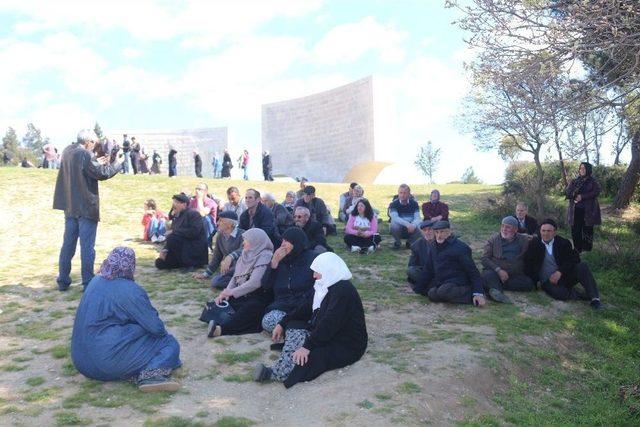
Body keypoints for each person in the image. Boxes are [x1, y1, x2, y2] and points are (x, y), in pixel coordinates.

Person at [71, 247, 181, 392]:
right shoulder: (130, 290)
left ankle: (130, 369)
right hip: (105, 361)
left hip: (81, 361)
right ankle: (151, 376)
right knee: (168, 343)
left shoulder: (94, 281)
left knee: (136, 329)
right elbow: (157, 328)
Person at [254, 252, 367, 388]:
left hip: (346, 343)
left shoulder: (343, 291)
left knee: (313, 357)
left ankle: (278, 372)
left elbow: (330, 323)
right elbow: (304, 308)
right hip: (327, 333)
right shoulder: (322, 286)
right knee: (293, 326)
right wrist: (282, 323)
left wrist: (307, 347)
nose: (314, 276)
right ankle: (288, 360)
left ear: (328, 271)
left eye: (317, 272)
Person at [53, 129, 122, 291]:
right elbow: (101, 174)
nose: (94, 146)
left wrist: (97, 161)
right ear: (88, 141)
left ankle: (63, 280)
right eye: (94, 143)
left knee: (68, 245)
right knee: (87, 247)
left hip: (70, 206)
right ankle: (88, 282)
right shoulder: (84, 154)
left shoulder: (67, 151)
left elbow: (85, 169)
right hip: (86, 206)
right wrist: (116, 163)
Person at [207, 228, 274, 338]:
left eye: (246, 240)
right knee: (223, 303)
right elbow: (235, 277)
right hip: (243, 293)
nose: (243, 243)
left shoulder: (265, 256)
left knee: (248, 310)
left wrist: (231, 292)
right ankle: (224, 320)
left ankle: (221, 330)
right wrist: (224, 293)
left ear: (255, 241)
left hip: (259, 296)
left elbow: (255, 282)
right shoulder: (245, 254)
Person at [524, 219, 603, 309]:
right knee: (560, 295)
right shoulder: (534, 244)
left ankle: (595, 298)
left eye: (549, 231)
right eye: (543, 231)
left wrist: (560, 272)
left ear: (554, 232)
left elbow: (574, 259)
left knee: (582, 266)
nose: (545, 233)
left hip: (563, 275)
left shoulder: (563, 242)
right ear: (540, 231)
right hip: (547, 281)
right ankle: (580, 295)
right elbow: (528, 263)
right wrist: (533, 281)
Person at [261, 228, 318, 333]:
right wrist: (274, 263)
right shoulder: (281, 260)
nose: (282, 244)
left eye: (286, 241)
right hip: (282, 306)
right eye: (282, 241)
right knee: (268, 322)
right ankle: (289, 329)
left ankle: (290, 329)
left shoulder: (313, 258)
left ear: (296, 242)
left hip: (304, 306)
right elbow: (265, 285)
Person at [423, 221, 486, 306]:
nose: (439, 235)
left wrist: (478, 293)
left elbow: (473, 271)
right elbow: (428, 268)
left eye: (442, 232)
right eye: (436, 232)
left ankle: (471, 294)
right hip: (443, 281)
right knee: (431, 294)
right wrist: (419, 288)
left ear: (449, 232)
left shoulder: (460, 248)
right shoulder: (433, 246)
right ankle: (448, 296)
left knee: (443, 291)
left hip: (459, 281)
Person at [481, 216, 534, 304]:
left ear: (516, 229)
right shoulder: (493, 239)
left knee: (528, 284)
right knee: (487, 274)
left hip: (513, 275)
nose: (504, 229)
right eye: (503, 226)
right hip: (495, 272)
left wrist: (533, 237)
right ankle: (496, 290)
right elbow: (484, 259)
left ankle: (494, 287)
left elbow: (537, 239)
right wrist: (499, 271)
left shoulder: (522, 239)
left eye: (508, 227)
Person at [155, 193, 208, 271]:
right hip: (182, 247)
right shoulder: (178, 216)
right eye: (174, 202)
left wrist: (174, 231)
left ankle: (190, 264)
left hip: (193, 247)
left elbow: (194, 232)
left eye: (176, 202)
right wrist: (165, 250)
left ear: (184, 205)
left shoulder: (193, 214)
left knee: (173, 237)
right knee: (160, 263)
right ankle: (180, 262)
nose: (174, 205)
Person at [194, 211, 245, 289]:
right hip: (229, 270)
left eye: (221, 221)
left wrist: (230, 256)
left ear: (230, 225)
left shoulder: (243, 234)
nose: (217, 223)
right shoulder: (220, 236)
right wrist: (205, 274)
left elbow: (245, 250)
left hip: (243, 268)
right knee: (216, 281)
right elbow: (216, 257)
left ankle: (244, 282)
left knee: (217, 281)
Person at [565, 162, 601, 252]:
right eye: (580, 168)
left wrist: (583, 196)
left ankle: (587, 250)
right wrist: (573, 195)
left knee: (587, 230)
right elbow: (568, 192)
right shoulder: (575, 181)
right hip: (575, 210)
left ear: (588, 169)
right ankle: (577, 249)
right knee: (575, 230)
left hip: (588, 210)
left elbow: (596, 192)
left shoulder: (593, 181)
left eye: (584, 168)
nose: (582, 170)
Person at [407, 220, 436, 295]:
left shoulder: (440, 240)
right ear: (422, 232)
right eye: (425, 230)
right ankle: (430, 286)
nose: (427, 232)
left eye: (430, 229)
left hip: (441, 270)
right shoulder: (416, 245)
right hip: (426, 272)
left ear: (435, 230)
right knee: (411, 270)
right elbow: (412, 265)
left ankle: (426, 287)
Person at [389, 184, 421, 249]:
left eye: (405, 193)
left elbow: (417, 218)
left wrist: (413, 225)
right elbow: (395, 218)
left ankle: (410, 242)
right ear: (398, 193)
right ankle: (398, 243)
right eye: (400, 193)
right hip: (400, 226)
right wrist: (407, 224)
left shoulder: (414, 203)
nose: (402, 195)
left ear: (409, 194)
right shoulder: (393, 204)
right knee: (393, 225)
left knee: (421, 225)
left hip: (411, 227)